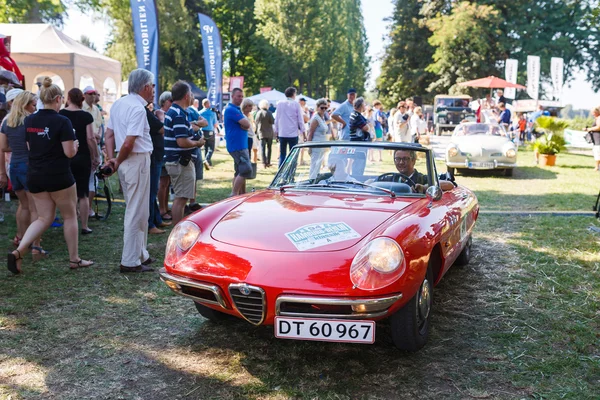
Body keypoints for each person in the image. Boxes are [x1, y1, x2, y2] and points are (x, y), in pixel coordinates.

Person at [7, 77, 93, 274]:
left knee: (43, 218)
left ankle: (20, 251)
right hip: (59, 175)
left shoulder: (29, 119)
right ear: (56, 99)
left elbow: (30, 147)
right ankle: (75, 259)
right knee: (70, 216)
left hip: (35, 174)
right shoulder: (62, 121)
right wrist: (76, 146)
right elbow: (69, 153)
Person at [104, 68, 156, 273]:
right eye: (151, 86)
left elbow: (109, 135)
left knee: (139, 209)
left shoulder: (118, 104)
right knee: (136, 210)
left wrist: (112, 159)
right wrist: (116, 160)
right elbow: (129, 142)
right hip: (134, 160)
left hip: (127, 160)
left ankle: (141, 253)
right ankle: (130, 260)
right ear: (145, 87)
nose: (153, 90)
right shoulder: (137, 108)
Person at [0, 90, 47, 257]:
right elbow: (33, 145)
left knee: (23, 205)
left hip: (14, 166)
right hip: (29, 166)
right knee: (36, 209)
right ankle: (36, 245)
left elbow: (3, 147)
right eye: (33, 104)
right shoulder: (30, 121)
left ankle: (21, 238)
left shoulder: (8, 122)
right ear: (26, 104)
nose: (35, 108)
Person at [163, 81, 206, 225]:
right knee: (181, 199)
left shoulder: (177, 112)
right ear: (187, 96)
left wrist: (196, 127)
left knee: (181, 198)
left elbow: (186, 132)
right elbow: (182, 142)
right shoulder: (178, 114)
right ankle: (178, 233)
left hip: (178, 161)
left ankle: (178, 231)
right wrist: (198, 143)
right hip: (180, 161)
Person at [59, 88, 101, 235]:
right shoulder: (86, 116)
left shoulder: (61, 114)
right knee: (82, 192)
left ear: (68, 98)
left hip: (65, 156)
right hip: (83, 157)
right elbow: (90, 139)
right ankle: (84, 226)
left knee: (68, 192)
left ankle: (70, 222)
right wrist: (95, 156)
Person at [223, 87, 252, 196]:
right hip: (237, 145)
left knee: (239, 171)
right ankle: (234, 194)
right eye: (238, 96)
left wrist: (244, 125)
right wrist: (244, 125)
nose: (240, 98)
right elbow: (247, 124)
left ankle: (242, 194)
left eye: (242, 96)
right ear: (232, 96)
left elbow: (246, 125)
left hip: (239, 145)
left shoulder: (236, 109)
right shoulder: (231, 109)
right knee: (246, 170)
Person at [146, 102, 168, 234]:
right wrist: (161, 117)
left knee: (153, 190)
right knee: (152, 190)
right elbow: (162, 128)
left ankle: (156, 219)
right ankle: (150, 224)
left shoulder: (148, 111)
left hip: (157, 154)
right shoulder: (145, 112)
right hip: (153, 155)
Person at [392, 149, 456, 192]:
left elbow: (450, 185)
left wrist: (425, 188)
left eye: (405, 159)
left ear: (413, 161)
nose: (401, 162)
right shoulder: (390, 179)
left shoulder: (422, 179)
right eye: (397, 159)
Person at [82, 86, 103, 218]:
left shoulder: (96, 109)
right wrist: (94, 135)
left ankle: (88, 207)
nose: (93, 95)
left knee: (93, 177)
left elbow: (100, 125)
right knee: (87, 178)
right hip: (87, 144)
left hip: (95, 142)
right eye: (90, 93)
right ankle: (85, 208)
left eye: (94, 93)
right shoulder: (82, 108)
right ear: (84, 95)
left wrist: (99, 135)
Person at [185, 98, 208, 211]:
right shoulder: (177, 111)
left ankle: (192, 202)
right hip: (186, 149)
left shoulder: (192, 110)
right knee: (185, 177)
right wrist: (195, 125)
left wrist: (194, 123)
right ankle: (183, 203)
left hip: (196, 148)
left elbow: (204, 122)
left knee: (194, 176)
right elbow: (191, 128)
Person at [274, 87, 305, 167]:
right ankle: (291, 172)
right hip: (293, 134)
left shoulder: (280, 103)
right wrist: (303, 132)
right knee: (293, 155)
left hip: (282, 133)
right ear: (294, 94)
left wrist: (276, 131)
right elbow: (300, 120)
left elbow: (277, 119)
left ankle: (280, 173)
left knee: (282, 154)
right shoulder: (296, 104)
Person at [155, 91, 173, 221]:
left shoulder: (168, 114)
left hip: (168, 152)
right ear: (165, 101)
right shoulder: (159, 113)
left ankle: (165, 207)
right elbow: (163, 131)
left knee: (167, 182)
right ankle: (162, 209)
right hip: (162, 152)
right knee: (163, 183)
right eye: (171, 101)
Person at [307, 98, 329, 179]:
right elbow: (310, 133)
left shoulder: (322, 118)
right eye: (322, 108)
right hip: (316, 145)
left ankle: (315, 181)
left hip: (321, 146)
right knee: (314, 166)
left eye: (325, 108)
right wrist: (309, 147)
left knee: (318, 166)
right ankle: (311, 182)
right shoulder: (316, 118)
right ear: (317, 107)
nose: (324, 110)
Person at [255, 99, 275, 168]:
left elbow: (256, 122)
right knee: (269, 148)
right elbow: (272, 121)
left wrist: (256, 132)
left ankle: (263, 162)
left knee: (262, 148)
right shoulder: (269, 113)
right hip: (269, 133)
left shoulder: (259, 113)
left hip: (261, 133)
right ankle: (268, 162)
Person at [199, 98, 218, 167]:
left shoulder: (199, 112)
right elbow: (215, 124)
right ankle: (207, 159)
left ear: (202, 104)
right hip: (210, 131)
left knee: (206, 147)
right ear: (208, 104)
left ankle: (208, 163)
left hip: (202, 131)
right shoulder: (212, 113)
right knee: (211, 148)